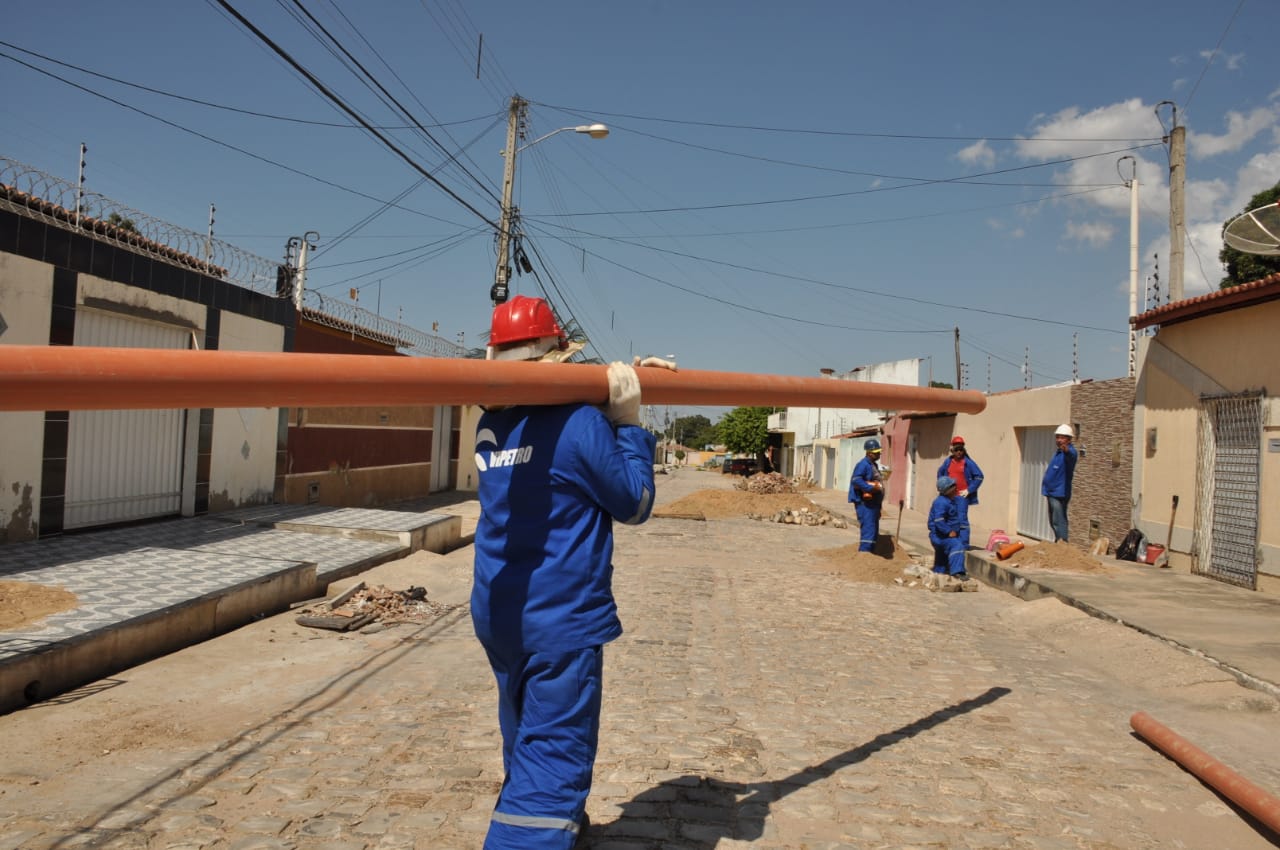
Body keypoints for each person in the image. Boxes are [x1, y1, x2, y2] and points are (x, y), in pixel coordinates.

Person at [472, 295, 671, 849]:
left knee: (526, 739)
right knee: (553, 757)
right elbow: (634, 503)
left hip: (500, 612)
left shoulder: (491, 422)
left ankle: (565, 831)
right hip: (559, 620)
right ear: (558, 353)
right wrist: (628, 423)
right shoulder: (580, 422)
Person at [935, 435, 983, 548]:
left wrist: (969, 490)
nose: (959, 452)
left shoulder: (968, 463)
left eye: (961, 449)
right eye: (956, 449)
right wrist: (943, 488)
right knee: (949, 519)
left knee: (962, 520)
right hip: (949, 497)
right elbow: (940, 474)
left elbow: (979, 476)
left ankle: (964, 544)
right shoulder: (948, 462)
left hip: (962, 497)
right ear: (952, 450)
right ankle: (951, 541)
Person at [1041, 423, 1078, 543]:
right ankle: (1058, 540)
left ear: (1069, 439)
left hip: (1059, 493)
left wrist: (1066, 449)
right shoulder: (1058, 453)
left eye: (1062, 437)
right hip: (1051, 492)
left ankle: (1062, 542)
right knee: (1053, 520)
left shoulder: (1070, 452)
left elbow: (1071, 455)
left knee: (1059, 519)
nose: (1059, 440)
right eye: (1057, 437)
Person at [848, 438, 885, 552]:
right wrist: (871, 488)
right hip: (865, 504)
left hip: (873, 503)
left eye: (879, 452)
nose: (878, 454)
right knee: (868, 531)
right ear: (869, 453)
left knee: (873, 531)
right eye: (876, 453)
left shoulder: (873, 465)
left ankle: (870, 555)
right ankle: (864, 555)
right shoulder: (862, 465)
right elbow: (856, 480)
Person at [928, 476, 969, 579]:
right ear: (948, 490)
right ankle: (958, 572)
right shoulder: (941, 502)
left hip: (941, 536)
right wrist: (948, 531)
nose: (956, 488)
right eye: (954, 487)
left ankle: (939, 571)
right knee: (957, 546)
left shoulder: (949, 501)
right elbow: (939, 520)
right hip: (940, 536)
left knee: (942, 556)